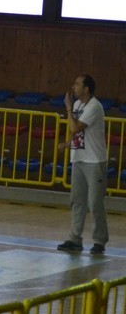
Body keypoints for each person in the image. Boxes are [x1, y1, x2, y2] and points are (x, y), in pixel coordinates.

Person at [56, 74, 109, 255]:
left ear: (86, 89)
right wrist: (68, 143)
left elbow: (76, 127)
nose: (73, 87)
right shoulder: (78, 104)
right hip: (78, 158)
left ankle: (99, 240)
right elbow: (75, 132)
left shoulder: (94, 106)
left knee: (94, 203)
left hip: (94, 160)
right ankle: (75, 239)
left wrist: (68, 108)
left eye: (77, 84)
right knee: (77, 200)